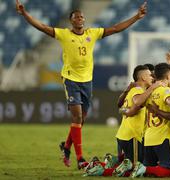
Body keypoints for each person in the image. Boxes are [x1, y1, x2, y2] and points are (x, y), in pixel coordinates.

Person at [16, 0, 147, 169]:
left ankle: (66, 147)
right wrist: (25, 14)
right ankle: (80, 158)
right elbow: (42, 26)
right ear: (71, 20)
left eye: (82, 17)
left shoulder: (92, 33)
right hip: (71, 80)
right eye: (76, 17)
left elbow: (115, 28)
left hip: (87, 81)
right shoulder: (64, 34)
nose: (80, 19)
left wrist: (136, 17)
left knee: (81, 120)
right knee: (77, 117)